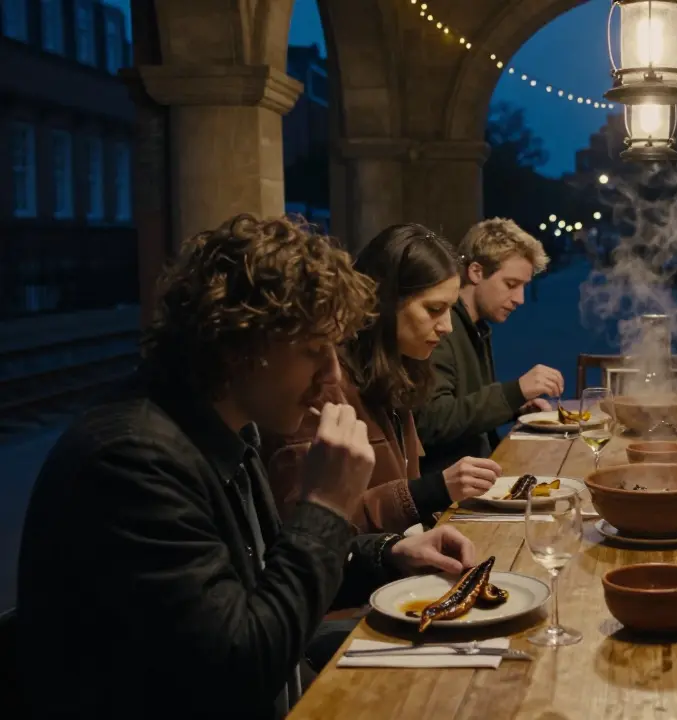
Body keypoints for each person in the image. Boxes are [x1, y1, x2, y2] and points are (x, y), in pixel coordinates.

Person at [15, 215, 479, 719]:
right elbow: (240, 667)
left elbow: (271, 568)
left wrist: (390, 553)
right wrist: (326, 506)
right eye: (315, 351)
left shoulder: (226, 426)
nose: (332, 375)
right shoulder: (134, 462)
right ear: (241, 345)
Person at [261, 224, 503, 534]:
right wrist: (430, 491)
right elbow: (306, 526)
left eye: (449, 310)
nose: (447, 327)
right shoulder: (323, 385)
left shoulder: (398, 369)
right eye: (434, 309)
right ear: (383, 302)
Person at [415, 218, 564, 474]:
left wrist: (514, 406)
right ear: (476, 272)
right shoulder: (442, 328)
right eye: (511, 284)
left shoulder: (476, 326)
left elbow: (467, 405)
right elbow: (433, 421)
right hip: (451, 483)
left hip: (478, 472)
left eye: (524, 286)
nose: (520, 299)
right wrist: (514, 391)